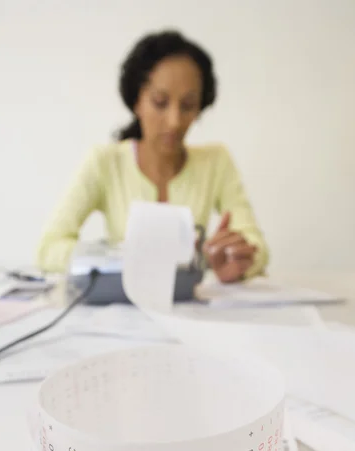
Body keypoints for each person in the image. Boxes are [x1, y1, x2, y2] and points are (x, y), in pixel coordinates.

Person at [37, 30, 268, 283]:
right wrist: (116, 258)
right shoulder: (105, 162)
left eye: (188, 105)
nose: (174, 121)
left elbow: (257, 247)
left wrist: (237, 259)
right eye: (160, 102)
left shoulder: (216, 161)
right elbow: (49, 248)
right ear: (137, 101)